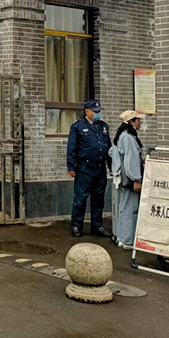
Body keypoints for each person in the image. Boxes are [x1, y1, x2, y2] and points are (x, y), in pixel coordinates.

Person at [66, 99, 113, 239]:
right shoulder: (78, 126)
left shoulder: (103, 126)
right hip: (84, 169)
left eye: (99, 111)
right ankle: (76, 225)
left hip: (100, 168)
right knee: (80, 199)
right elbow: (72, 148)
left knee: (98, 200)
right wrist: (71, 166)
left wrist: (111, 166)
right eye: (95, 111)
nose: (98, 113)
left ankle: (97, 226)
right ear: (87, 112)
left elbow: (108, 147)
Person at [110, 110, 145, 249]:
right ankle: (128, 240)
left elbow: (112, 154)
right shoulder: (129, 138)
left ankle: (122, 238)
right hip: (130, 179)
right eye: (138, 120)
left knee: (124, 208)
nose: (140, 123)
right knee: (131, 209)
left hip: (121, 178)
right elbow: (132, 160)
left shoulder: (121, 136)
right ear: (131, 121)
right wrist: (136, 179)